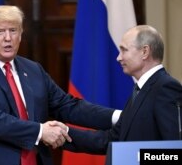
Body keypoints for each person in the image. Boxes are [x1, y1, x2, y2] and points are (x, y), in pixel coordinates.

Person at [0, 5, 120, 165]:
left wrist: (119, 117)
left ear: (21, 34)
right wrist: (41, 131)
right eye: (0, 31)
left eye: (13, 30)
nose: (8, 38)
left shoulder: (32, 69)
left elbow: (67, 106)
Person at [64, 25, 182, 154]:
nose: (118, 57)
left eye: (124, 50)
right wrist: (64, 133)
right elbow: (111, 139)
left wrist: (137, 158)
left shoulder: (165, 87)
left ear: (145, 52)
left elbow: (174, 151)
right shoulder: (139, 91)